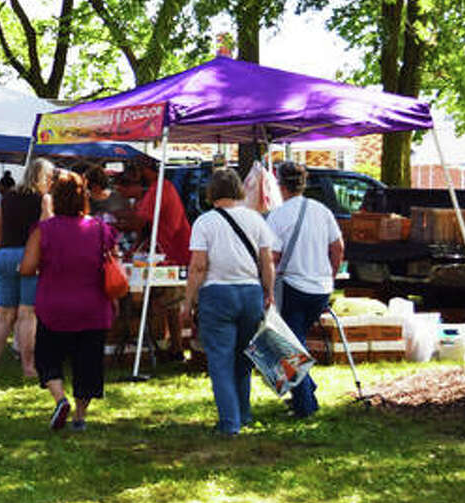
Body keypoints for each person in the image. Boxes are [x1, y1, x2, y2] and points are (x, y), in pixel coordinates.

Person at [184, 168, 276, 435]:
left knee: (220, 361)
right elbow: (267, 261)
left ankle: (229, 422)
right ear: (238, 189)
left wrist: (188, 302)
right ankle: (243, 414)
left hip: (217, 295)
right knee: (244, 360)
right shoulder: (256, 219)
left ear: (211, 191)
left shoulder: (205, 222)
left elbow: (198, 267)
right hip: (250, 293)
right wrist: (268, 291)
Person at [19, 171, 115, 431]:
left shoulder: (44, 230)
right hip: (93, 308)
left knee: (48, 358)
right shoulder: (99, 228)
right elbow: (112, 259)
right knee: (88, 364)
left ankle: (60, 398)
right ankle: (80, 417)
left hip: (54, 306)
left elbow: (27, 267)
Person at [267, 161, 344, 419]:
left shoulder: (278, 215)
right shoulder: (322, 211)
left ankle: (305, 404)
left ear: (280, 185)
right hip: (320, 287)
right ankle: (307, 388)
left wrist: (267, 286)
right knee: (295, 341)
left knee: (287, 346)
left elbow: (273, 257)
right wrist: (330, 276)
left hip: (293, 286)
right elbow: (338, 247)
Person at [0, 157, 54, 377]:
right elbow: (46, 227)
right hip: (29, 257)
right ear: (44, 177)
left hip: (5, 255)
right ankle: (29, 366)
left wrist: (3, 247)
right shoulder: (44, 199)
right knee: (27, 314)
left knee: (1, 314)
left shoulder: (7, 197)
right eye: (50, 178)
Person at [128, 156, 191, 360]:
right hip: (168, 252)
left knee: (169, 302)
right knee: (168, 303)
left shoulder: (160, 187)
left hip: (173, 253)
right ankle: (173, 346)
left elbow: (140, 220)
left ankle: (176, 347)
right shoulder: (162, 186)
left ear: (145, 170)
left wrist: (118, 222)